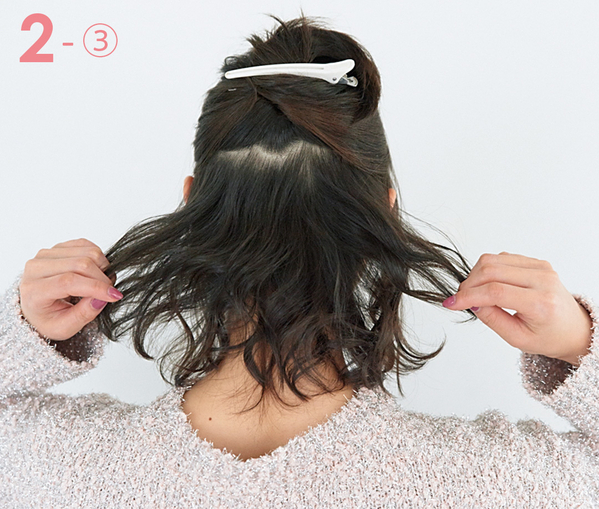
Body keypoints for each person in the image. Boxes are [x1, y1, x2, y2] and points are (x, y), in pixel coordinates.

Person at [1, 16, 597, 508]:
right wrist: (576, 343)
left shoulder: (53, 466)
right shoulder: (488, 484)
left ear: (191, 203)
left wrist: (23, 330)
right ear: (385, 216)